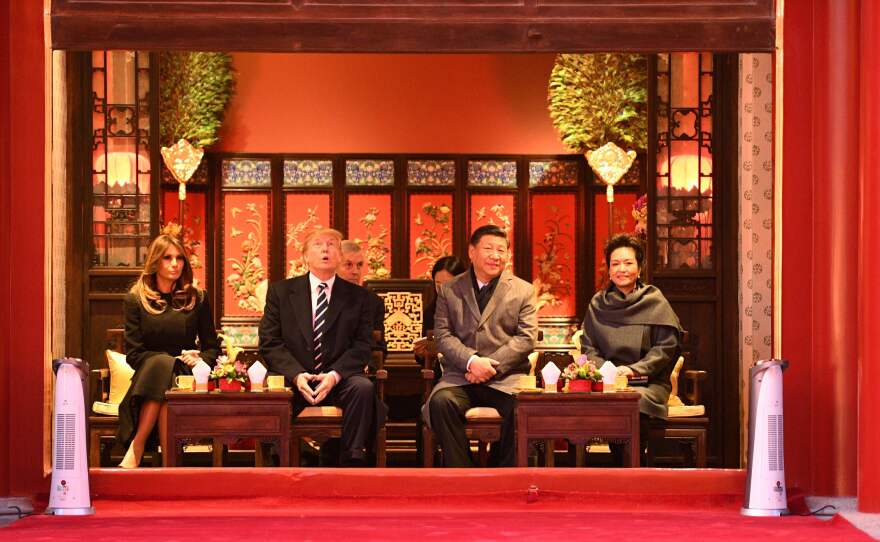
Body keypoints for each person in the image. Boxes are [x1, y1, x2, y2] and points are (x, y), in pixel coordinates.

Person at [259, 228, 382, 466]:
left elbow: (362, 345)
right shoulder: (281, 292)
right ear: (305, 256)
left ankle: (351, 461)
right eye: (318, 244)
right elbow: (269, 342)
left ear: (339, 255)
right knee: (273, 393)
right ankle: (279, 463)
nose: (325, 248)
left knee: (363, 388)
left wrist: (334, 376)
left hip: (339, 380)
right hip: (294, 378)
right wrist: (296, 375)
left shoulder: (359, 297)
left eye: (332, 244)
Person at [425, 225, 538, 467]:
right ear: (472, 252)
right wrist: (472, 361)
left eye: (501, 250)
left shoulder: (524, 290)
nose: (495, 255)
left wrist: (490, 366)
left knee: (522, 409)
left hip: (506, 378)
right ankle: (463, 475)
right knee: (440, 402)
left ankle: (503, 476)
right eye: (488, 248)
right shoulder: (450, 289)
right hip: (461, 377)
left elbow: (527, 337)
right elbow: (443, 335)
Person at [116, 233, 219, 469]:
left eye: (179, 258)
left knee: (167, 372)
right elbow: (133, 354)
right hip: (148, 373)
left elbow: (212, 348)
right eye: (167, 258)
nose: (175, 264)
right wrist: (165, 361)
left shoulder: (197, 298)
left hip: (186, 372)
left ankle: (137, 445)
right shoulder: (136, 299)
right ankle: (169, 464)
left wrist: (199, 357)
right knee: (162, 367)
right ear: (155, 261)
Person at [580, 234, 683, 458]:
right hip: (606, 382)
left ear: (639, 266)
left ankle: (633, 466)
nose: (621, 269)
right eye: (615, 264)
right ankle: (619, 469)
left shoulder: (654, 300)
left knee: (633, 401)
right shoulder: (598, 304)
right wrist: (607, 371)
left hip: (648, 381)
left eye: (628, 263)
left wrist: (634, 370)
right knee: (610, 401)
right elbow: (588, 347)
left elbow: (666, 347)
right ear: (608, 269)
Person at [414, 255, 466, 358]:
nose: (442, 290)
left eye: (448, 284)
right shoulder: (431, 311)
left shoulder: (475, 306)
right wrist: (421, 353)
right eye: (438, 284)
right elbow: (424, 357)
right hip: (442, 369)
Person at [337, 239, 385, 348]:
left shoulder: (373, 301)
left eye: (359, 265)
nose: (355, 272)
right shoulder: (320, 297)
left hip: (361, 362)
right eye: (348, 265)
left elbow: (379, 346)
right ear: (334, 267)